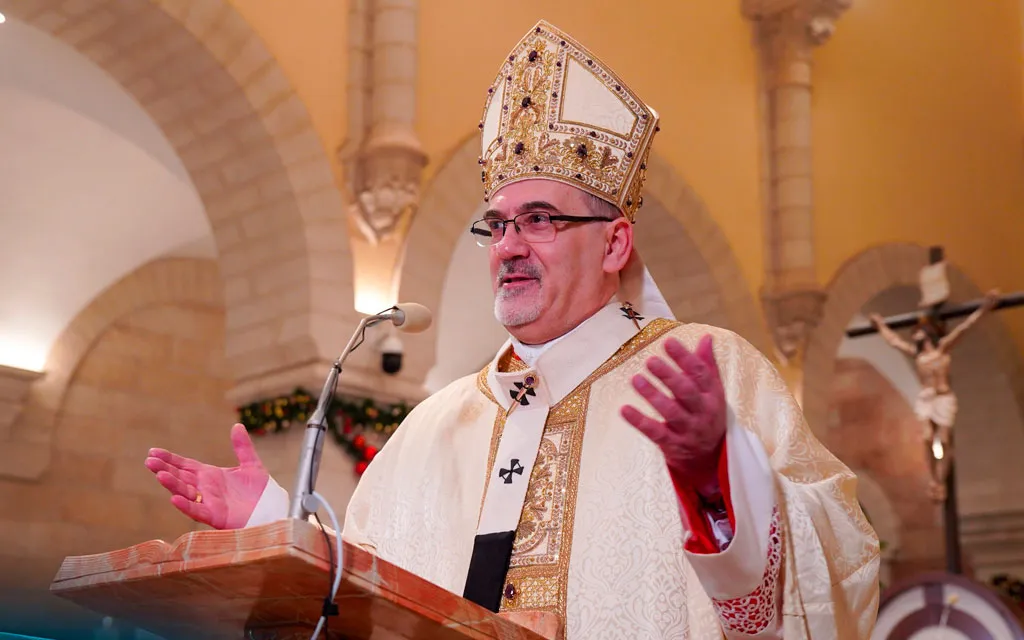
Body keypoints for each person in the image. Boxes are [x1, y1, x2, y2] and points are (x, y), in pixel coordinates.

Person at [146, 20, 879, 639]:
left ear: (616, 245)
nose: (508, 245)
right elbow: (367, 588)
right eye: (496, 224)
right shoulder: (436, 425)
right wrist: (274, 519)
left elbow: (840, 560)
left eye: (541, 220)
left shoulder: (711, 369)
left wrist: (719, 479)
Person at [869, 289, 999, 502]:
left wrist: (984, 308)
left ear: (927, 333)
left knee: (945, 441)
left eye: (918, 331)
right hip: (926, 399)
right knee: (928, 438)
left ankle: (940, 480)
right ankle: (933, 479)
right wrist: (880, 325)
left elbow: (966, 327)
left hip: (943, 397)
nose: (914, 334)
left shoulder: (943, 348)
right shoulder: (917, 354)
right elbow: (893, 341)